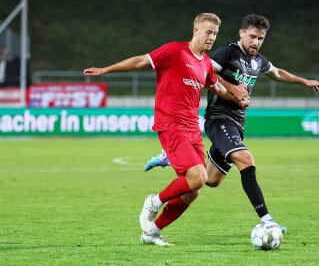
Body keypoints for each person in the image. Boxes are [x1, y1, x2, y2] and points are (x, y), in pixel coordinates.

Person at [144, 14, 319, 231]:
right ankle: (267, 220)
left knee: (211, 180)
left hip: (237, 122)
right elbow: (206, 71)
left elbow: (277, 73)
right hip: (219, 119)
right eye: (252, 37)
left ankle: (170, 159)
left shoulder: (259, 61)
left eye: (260, 38)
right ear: (242, 33)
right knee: (245, 159)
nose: (255, 42)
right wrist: (231, 88)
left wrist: (304, 81)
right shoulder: (228, 51)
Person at [84, 13, 247, 246]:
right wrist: (106, 70)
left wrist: (236, 97)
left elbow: (216, 86)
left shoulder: (205, 63)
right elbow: (141, 60)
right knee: (199, 178)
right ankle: (153, 201)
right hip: (171, 125)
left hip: (193, 129)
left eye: (215, 34)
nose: (211, 37)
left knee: (193, 191)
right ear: (196, 31)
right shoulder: (175, 51)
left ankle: (152, 232)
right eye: (208, 32)